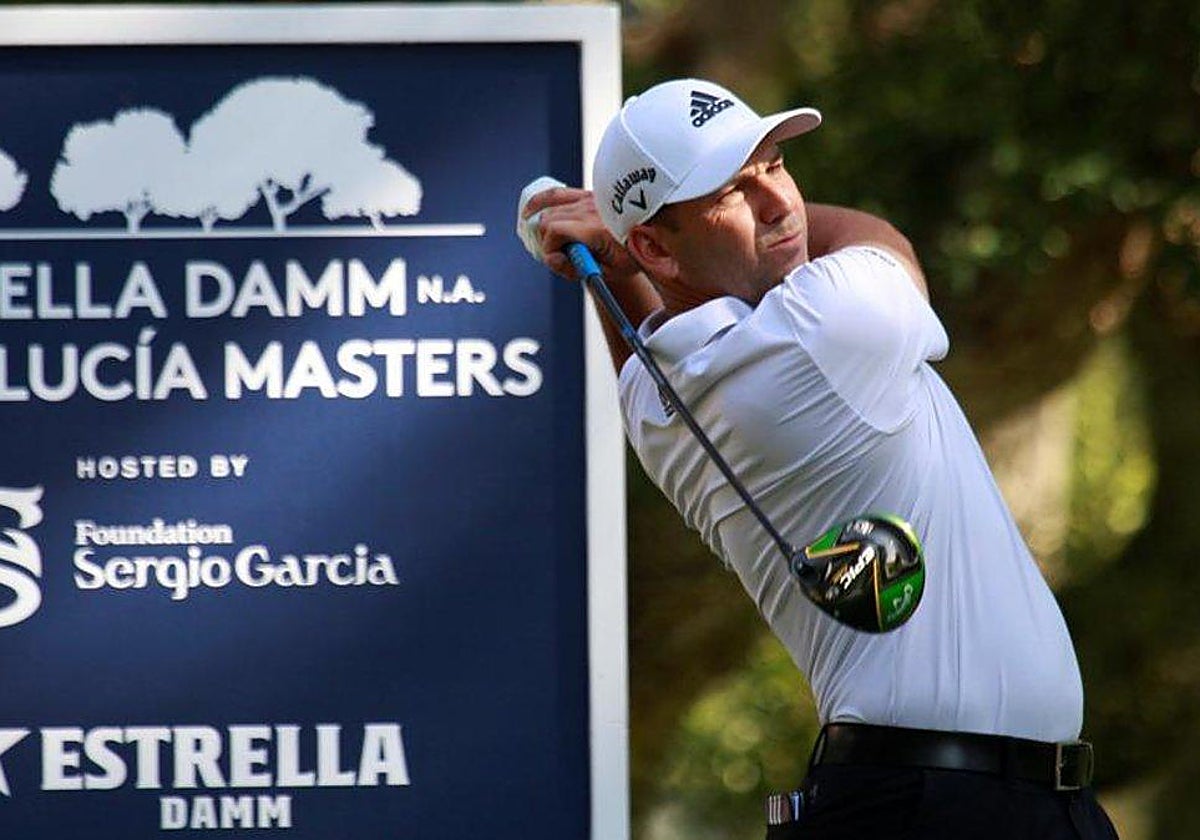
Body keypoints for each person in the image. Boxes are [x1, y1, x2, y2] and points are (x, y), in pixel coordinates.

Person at [519, 78, 1119, 838]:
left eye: (774, 164)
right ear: (651, 247)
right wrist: (615, 238)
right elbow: (883, 241)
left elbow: (652, 347)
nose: (781, 204)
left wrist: (626, 248)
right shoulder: (830, 329)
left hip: (946, 799)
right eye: (732, 193)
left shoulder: (655, 409)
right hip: (941, 806)